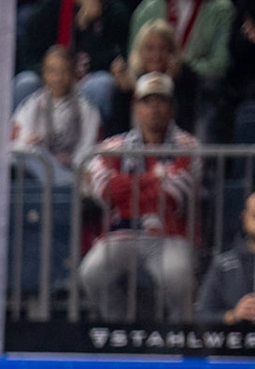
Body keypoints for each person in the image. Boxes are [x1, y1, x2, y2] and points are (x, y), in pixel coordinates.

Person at [78, 72, 197, 320]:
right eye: (147, 101)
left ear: (172, 107)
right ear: (136, 106)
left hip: (170, 234)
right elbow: (105, 192)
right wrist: (156, 177)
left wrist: (125, 187)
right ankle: (121, 326)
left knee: (179, 278)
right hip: (122, 234)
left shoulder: (188, 146)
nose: (154, 108)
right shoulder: (114, 146)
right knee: (91, 273)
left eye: (161, 101)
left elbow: (173, 196)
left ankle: (176, 338)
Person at [18, 0, 130, 118]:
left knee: (103, 84)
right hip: (49, 78)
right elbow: (30, 54)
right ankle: (15, 138)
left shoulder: (116, 12)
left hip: (88, 80)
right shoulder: (51, 4)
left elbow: (112, 61)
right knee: (25, 83)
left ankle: (95, 139)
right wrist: (51, 74)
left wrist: (88, 27)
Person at [130, 0, 230, 88]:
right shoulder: (148, 8)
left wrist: (182, 69)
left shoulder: (222, 9)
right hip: (151, 84)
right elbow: (134, 59)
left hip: (199, 85)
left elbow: (220, 64)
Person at [11, 44, 100, 178]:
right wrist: (31, 142)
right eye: (52, 71)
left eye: (64, 71)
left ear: (73, 73)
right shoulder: (31, 106)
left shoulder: (87, 110)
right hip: (37, 174)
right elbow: (19, 145)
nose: (58, 77)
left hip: (71, 175)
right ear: (44, 74)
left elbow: (87, 149)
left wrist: (69, 163)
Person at [108, 18, 201, 137]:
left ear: (172, 52)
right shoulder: (127, 82)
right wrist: (127, 93)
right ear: (139, 51)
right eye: (149, 48)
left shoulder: (185, 79)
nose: (156, 56)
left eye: (162, 48)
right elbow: (117, 130)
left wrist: (168, 86)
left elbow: (186, 124)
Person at [198, 191, 255, 326]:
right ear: (244, 218)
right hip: (237, 344)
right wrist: (234, 316)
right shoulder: (224, 264)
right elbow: (202, 314)